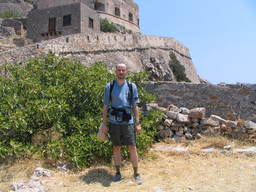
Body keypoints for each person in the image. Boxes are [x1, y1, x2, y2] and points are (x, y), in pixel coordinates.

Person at [101, 63, 143, 185]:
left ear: (126, 72)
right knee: (116, 147)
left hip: (128, 122)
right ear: (115, 71)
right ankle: (118, 173)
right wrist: (104, 124)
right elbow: (105, 106)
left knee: (132, 147)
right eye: (119, 70)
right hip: (114, 121)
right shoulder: (109, 86)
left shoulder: (131, 86)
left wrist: (138, 122)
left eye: (123, 70)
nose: (121, 72)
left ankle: (136, 173)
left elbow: (135, 106)